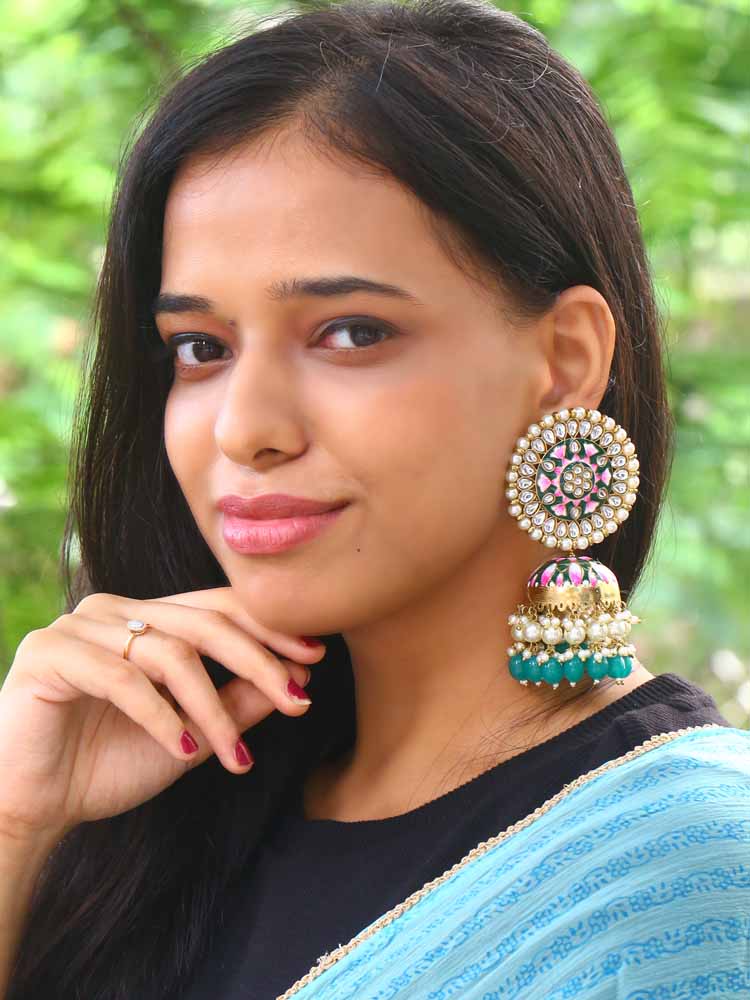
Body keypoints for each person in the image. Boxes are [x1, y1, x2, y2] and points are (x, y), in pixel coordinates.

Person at [1, 1, 748, 997]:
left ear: (566, 361)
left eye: (349, 333)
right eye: (201, 347)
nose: (243, 428)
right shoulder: (150, 816)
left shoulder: (691, 879)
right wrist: (18, 822)